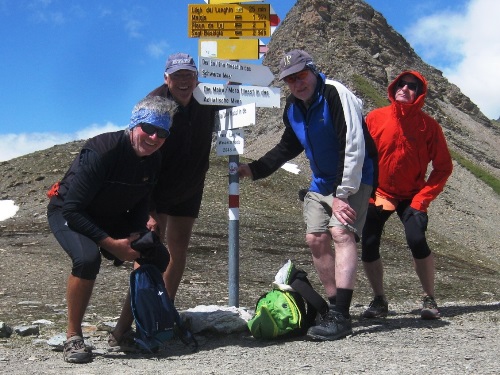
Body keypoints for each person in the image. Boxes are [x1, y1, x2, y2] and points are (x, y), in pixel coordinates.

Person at [238, 50, 377, 341]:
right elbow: (288, 145)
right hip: (321, 182)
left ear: (313, 71)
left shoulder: (336, 94)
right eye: (290, 79)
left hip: (354, 179)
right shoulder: (293, 107)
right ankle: (333, 309)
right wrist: (254, 169)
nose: (297, 83)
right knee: (315, 238)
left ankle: (340, 315)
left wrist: (343, 193)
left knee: (341, 233)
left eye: (301, 75)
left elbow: (352, 144)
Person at [47, 96, 177, 363]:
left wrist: (137, 231)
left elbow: (142, 198)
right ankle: (73, 337)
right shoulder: (102, 150)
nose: (154, 137)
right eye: (148, 129)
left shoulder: (154, 159)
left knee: (155, 255)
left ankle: (121, 332)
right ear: (134, 125)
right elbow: (72, 209)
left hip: (111, 215)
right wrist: (110, 244)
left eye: (162, 132)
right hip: (68, 211)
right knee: (87, 259)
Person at [361, 70, 453, 320]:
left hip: (412, 195)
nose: (404, 89)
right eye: (401, 84)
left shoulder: (429, 126)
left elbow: (443, 167)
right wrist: (366, 191)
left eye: (412, 86)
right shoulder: (375, 118)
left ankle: (429, 297)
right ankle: (379, 300)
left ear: (420, 94)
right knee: (368, 244)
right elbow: (360, 156)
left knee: (416, 239)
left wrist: (422, 200)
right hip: (380, 193)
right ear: (394, 87)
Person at [146, 53, 222, 301]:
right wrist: (147, 208)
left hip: (191, 185)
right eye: (177, 75)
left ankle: (164, 309)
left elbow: (236, 102)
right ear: (166, 78)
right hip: (157, 188)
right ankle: (142, 313)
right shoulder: (154, 103)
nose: (183, 81)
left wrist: (236, 82)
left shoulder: (207, 96)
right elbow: (139, 152)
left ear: (196, 78)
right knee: (149, 250)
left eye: (188, 75)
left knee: (178, 250)